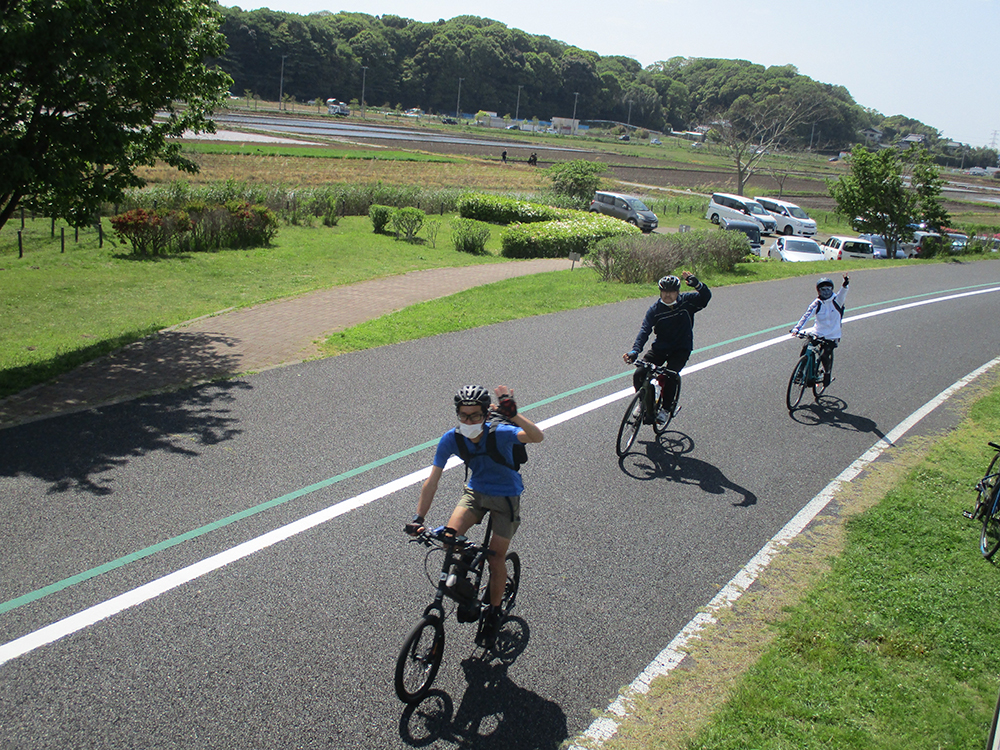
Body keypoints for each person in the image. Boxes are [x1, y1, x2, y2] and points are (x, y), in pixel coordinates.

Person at [407, 384, 544, 646]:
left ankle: (493, 612)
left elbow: (536, 436)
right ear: (457, 414)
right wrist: (419, 519)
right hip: (476, 494)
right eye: (463, 416)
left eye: (475, 416)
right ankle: (467, 572)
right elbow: (432, 481)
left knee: (496, 558)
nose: (468, 421)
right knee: (448, 538)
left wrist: (512, 414)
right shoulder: (452, 438)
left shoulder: (500, 433)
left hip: (506, 497)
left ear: (485, 414)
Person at [623, 271, 711, 424]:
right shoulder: (655, 310)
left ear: (678, 292)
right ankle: (644, 402)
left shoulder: (687, 302)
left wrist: (697, 284)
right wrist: (635, 351)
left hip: (681, 348)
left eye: (671, 292)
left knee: (670, 375)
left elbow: (705, 298)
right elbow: (644, 331)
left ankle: (665, 409)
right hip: (661, 348)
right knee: (639, 373)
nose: (667, 295)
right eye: (664, 291)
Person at [790, 273, 849, 387]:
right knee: (806, 347)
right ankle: (801, 372)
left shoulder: (837, 301)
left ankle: (827, 374)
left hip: (832, 335)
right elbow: (806, 315)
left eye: (829, 289)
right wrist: (797, 328)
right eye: (823, 289)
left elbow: (843, 292)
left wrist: (845, 284)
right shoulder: (817, 303)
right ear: (818, 291)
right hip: (818, 332)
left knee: (824, 355)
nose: (826, 292)